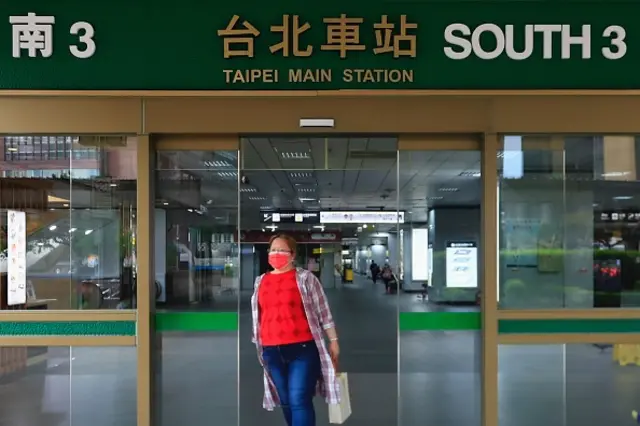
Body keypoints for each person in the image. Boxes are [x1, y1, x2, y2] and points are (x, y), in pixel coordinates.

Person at [251, 234, 341, 426]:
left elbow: (323, 312)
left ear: (292, 255)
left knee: (299, 399)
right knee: (286, 402)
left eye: (281, 250)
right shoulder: (260, 282)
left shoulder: (305, 279)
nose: (276, 254)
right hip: (271, 350)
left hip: (302, 349)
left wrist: (333, 341)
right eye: (273, 250)